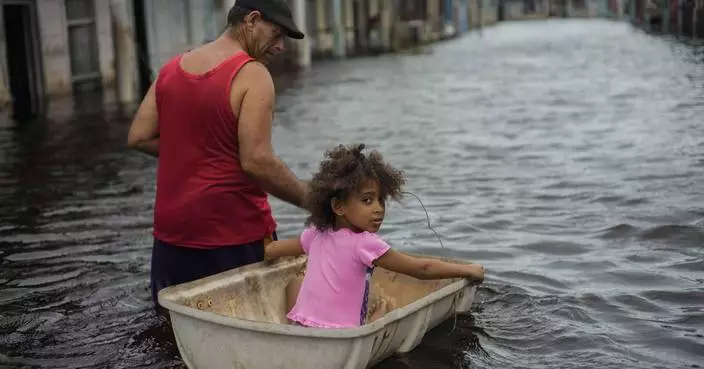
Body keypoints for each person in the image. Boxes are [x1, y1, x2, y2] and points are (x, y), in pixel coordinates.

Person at [126, 0, 309, 313]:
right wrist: (315, 201)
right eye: (276, 34)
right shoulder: (253, 75)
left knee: (175, 333)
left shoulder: (172, 68)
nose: (280, 46)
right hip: (232, 234)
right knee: (248, 329)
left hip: (172, 236)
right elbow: (256, 161)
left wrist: (196, 150)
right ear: (252, 20)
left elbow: (139, 137)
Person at [264, 143, 485, 328]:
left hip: (302, 330)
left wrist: (265, 242)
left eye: (381, 200)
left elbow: (272, 250)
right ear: (338, 206)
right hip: (342, 336)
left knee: (295, 280)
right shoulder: (366, 244)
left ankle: (291, 325)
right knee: (387, 308)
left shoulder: (316, 234)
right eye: (367, 200)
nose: (378, 209)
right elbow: (421, 269)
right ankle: (379, 313)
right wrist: (468, 270)